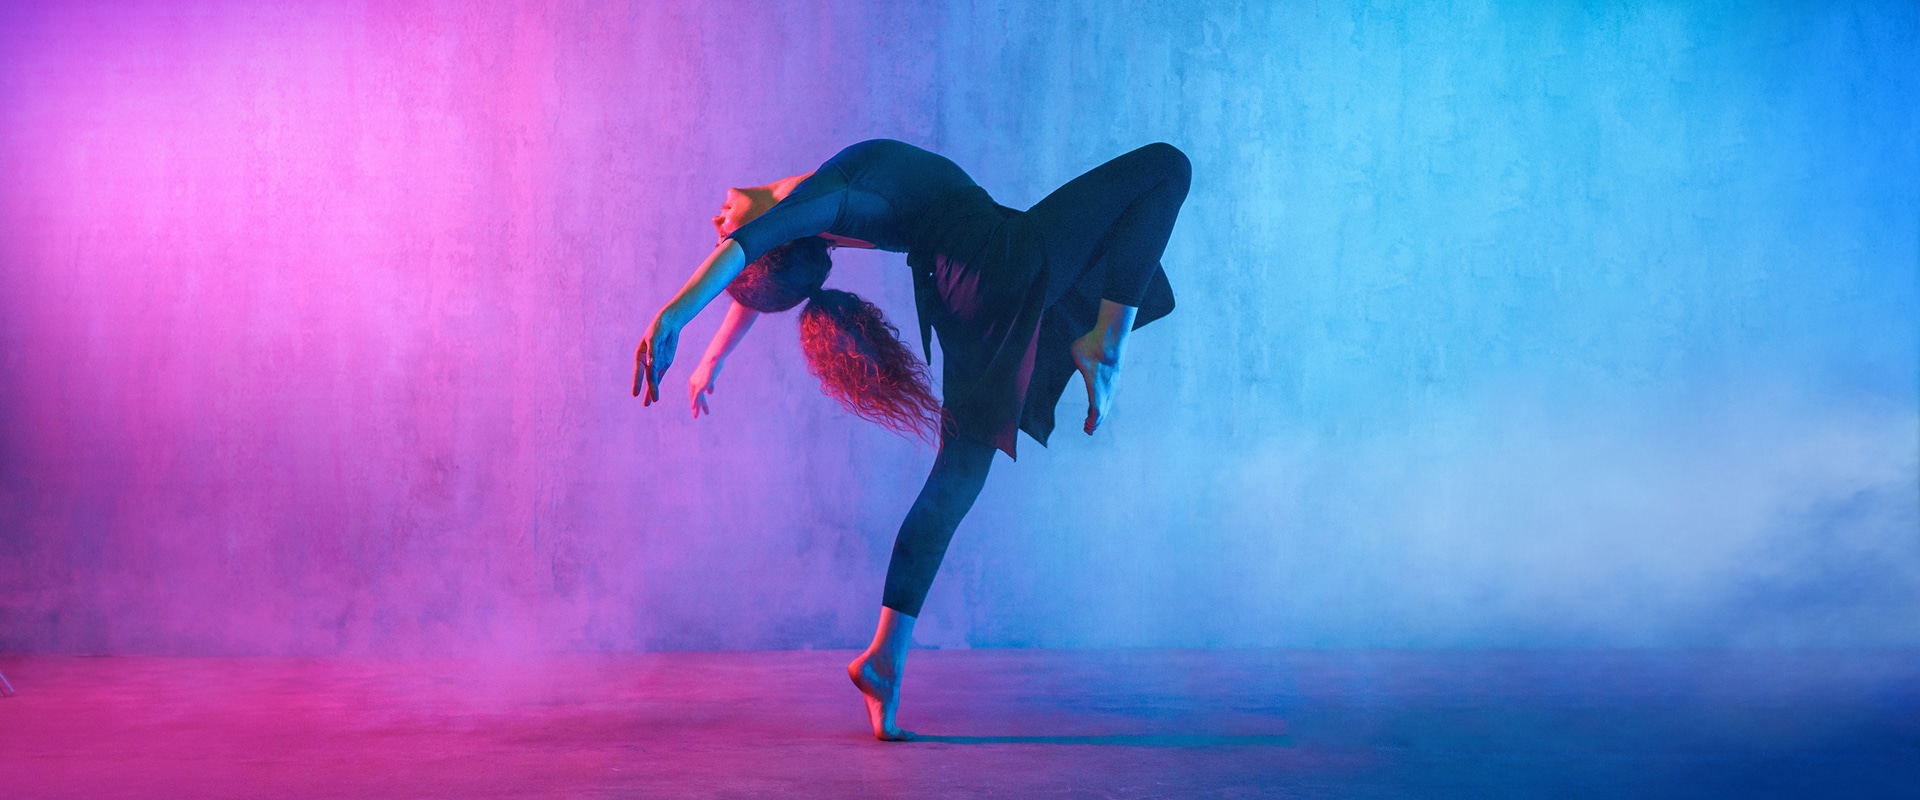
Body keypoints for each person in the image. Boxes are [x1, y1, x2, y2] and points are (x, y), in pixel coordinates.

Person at [634, 139, 1190, 740]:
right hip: (994, 258)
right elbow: (750, 244)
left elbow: (758, 243)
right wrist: (674, 315)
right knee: (1166, 167)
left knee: (958, 476)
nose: (716, 225)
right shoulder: (833, 198)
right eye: (726, 240)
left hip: (963, 288)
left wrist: (710, 360)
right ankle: (1106, 344)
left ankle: (884, 658)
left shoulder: (817, 213)